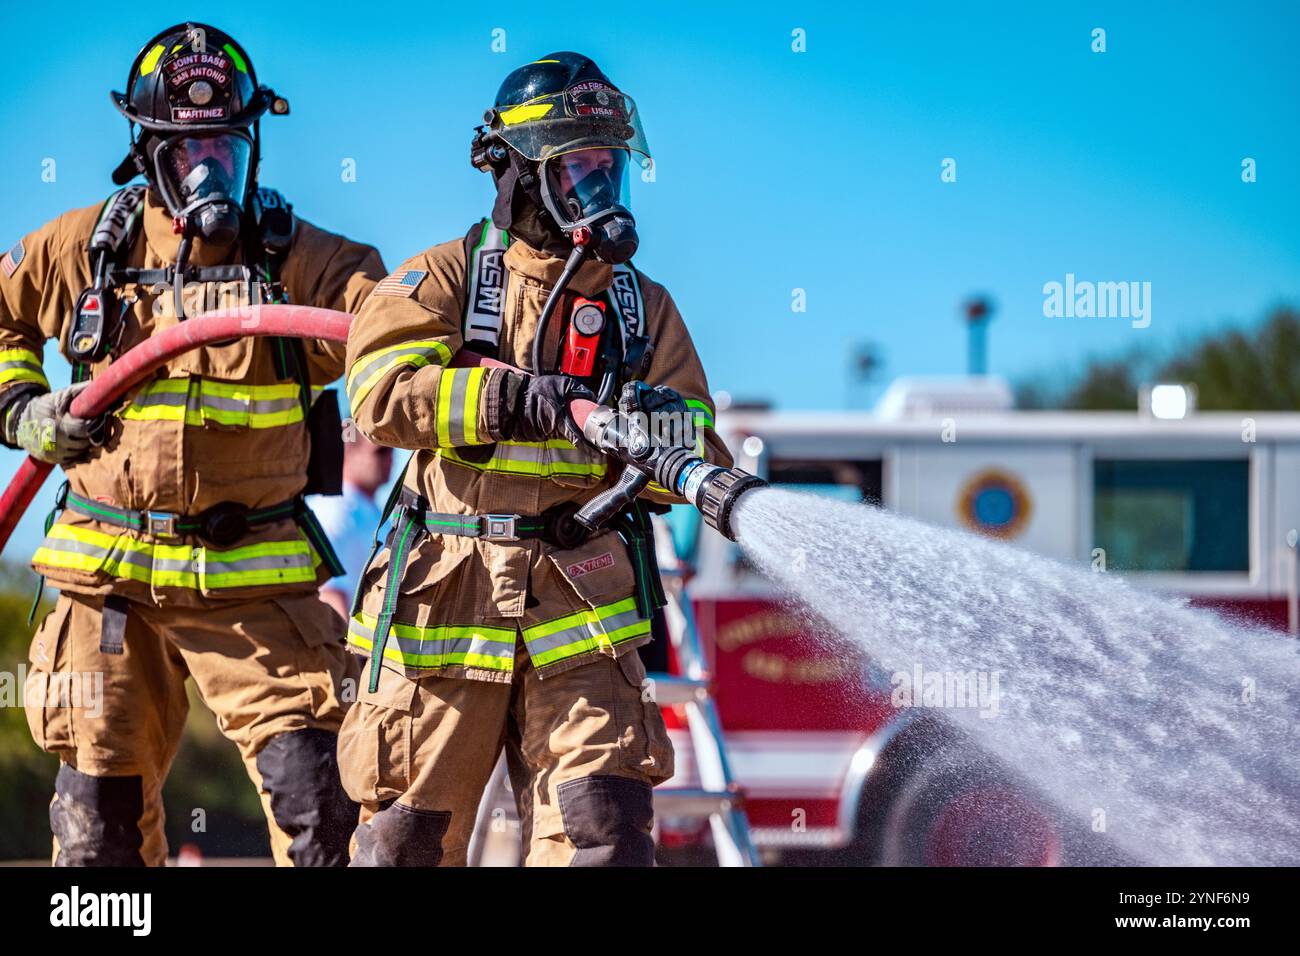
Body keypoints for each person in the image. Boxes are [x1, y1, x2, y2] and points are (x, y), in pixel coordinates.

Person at [1, 22, 386, 866]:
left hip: (255, 584)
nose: (210, 168)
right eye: (187, 149)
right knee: (96, 833)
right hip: (106, 583)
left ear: (252, 141)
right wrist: (24, 407)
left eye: (225, 143)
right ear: (147, 153)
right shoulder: (77, 252)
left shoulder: (307, 262)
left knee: (324, 813)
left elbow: (393, 328)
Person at [338, 51, 732, 866]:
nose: (600, 188)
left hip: (582, 616)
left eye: (609, 166)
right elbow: (375, 392)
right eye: (578, 166)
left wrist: (662, 426)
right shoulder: (445, 275)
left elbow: (701, 435)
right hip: (444, 605)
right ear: (520, 172)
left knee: (603, 843)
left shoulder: (640, 305)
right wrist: (504, 398)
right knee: (406, 847)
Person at [310, 430, 394, 620]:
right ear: (348, 452)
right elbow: (329, 594)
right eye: (380, 451)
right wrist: (346, 649)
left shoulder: (368, 512)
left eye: (391, 450)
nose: (390, 457)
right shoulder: (335, 511)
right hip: (352, 644)